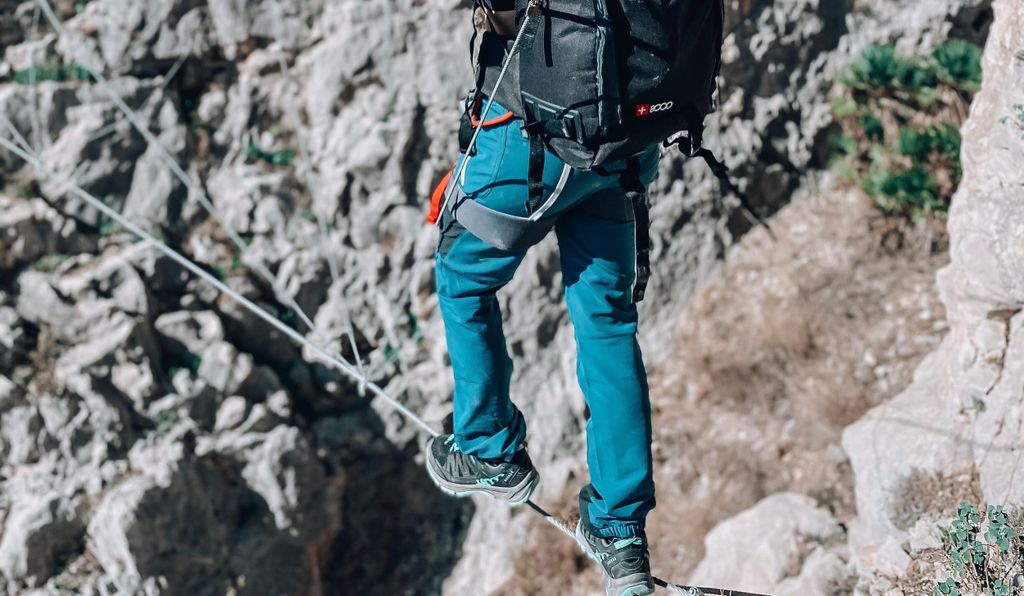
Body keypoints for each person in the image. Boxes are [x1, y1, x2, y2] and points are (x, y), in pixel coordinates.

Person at [424, 4, 660, 596]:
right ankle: (622, 532)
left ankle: (487, 447)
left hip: (538, 128)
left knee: (462, 276)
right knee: (607, 325)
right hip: (623, 136)